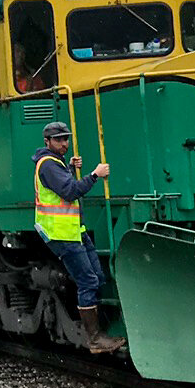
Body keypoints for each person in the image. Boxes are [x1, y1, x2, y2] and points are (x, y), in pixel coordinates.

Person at [34, 121, 125, 356]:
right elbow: (70, 191)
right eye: (59, 140)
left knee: (97, 276)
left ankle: (101, 332)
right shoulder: (48, 166)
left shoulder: (55, 162)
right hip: (62, 235)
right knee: (88, 282)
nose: (64, 143)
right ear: (47, 142)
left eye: (66, 139)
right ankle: (94, 339)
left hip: (75, 230)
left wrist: (70, 167)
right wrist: (94, 175)